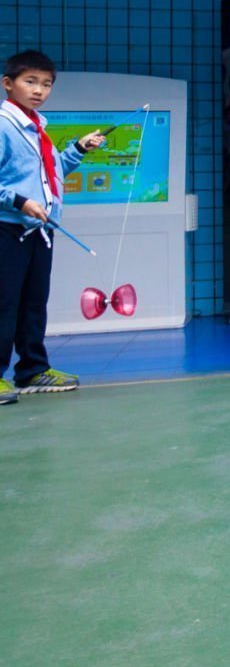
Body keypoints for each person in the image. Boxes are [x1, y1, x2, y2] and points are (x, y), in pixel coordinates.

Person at [0, 51, 106, 404]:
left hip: (38, 231)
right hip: (7, 229)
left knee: (33, 303)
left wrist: (78, 149)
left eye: (46, 84)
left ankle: (32, 369)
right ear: (7, 84)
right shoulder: (4, 125)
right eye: (30, 82)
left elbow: (49, 173)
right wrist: (19, 202)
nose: (39, 90)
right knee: (4, 303)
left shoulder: (37, 127)